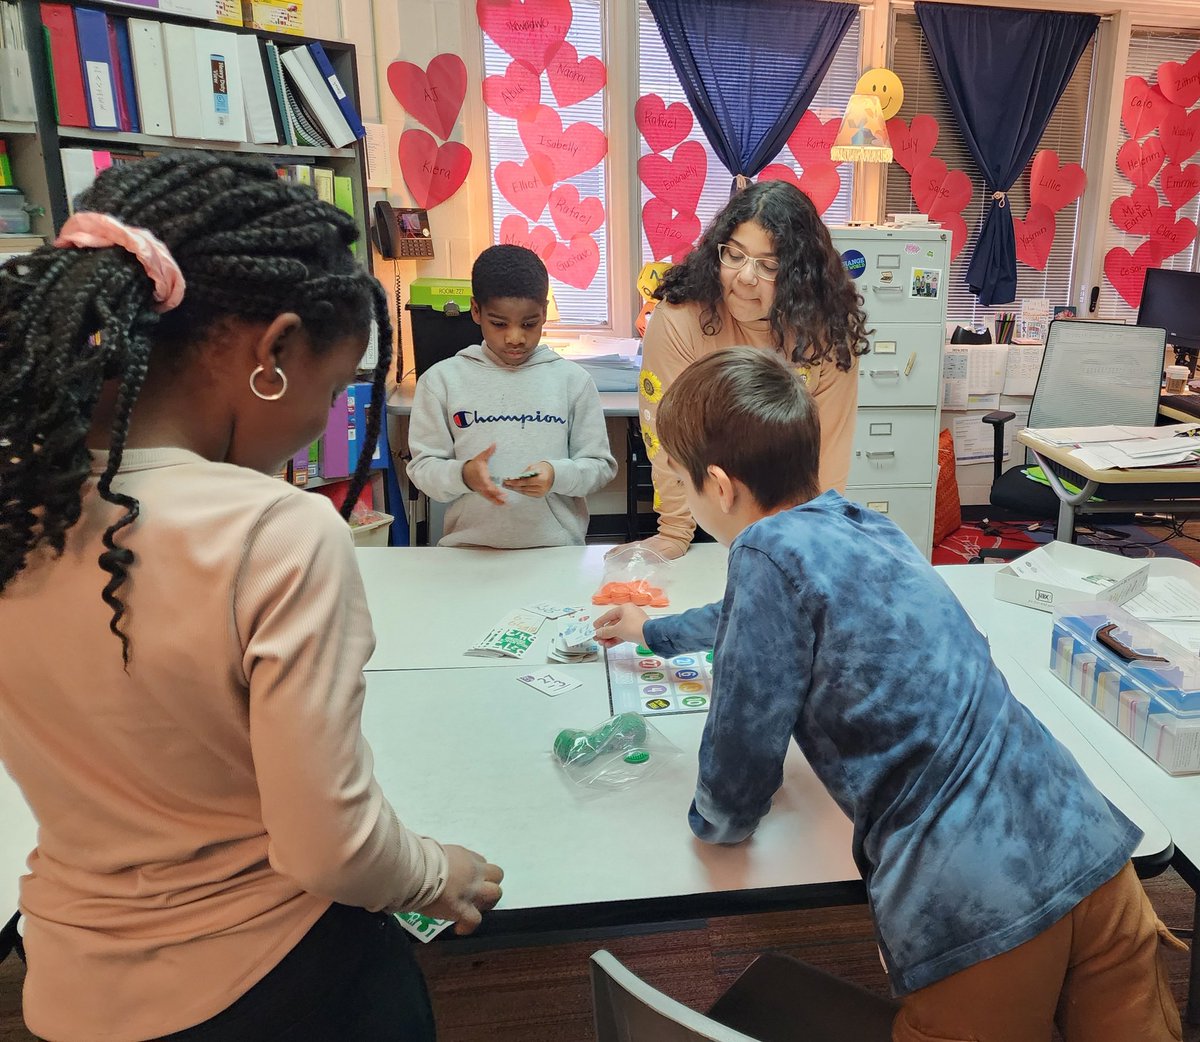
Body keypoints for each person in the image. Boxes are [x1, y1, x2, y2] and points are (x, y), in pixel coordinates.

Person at [0, 152, 503, 1041]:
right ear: (272, 352)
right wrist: (437, 873)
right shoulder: (276, 531)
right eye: (335, 387)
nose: (323, 421)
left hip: (71, 985)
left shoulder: (17, 501)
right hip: (276, 983)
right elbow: (331, 847)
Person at [594, 347, 1183, 1042]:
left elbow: (743, 743)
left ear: (719, 487)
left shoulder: (761, 552)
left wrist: (716, 822)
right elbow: (762, 615)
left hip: (983, 896)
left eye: (683, 485)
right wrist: (654, 631)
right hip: (1087, 841)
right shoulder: (861, 523)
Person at [627, 179, 869, 561]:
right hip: (704, 506)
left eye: (768, 265)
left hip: (788, 515)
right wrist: (674, 530)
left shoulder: (827, 332)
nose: (745, 277)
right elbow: (665, 435)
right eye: (734, 255)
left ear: (799, 276)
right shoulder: (679, 318)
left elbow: (828, 451)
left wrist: (812, 535)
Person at [406, 244, 616, 548]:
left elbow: (599, 466)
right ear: (475, 311)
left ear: (544, 312)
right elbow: (423, 468)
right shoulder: (441, 381)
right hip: (468, 552)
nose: (515, 337)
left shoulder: (573, 381)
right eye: (499, 323)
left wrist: (556, 475)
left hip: (556, 552)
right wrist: (463, 475)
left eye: (529, 324)